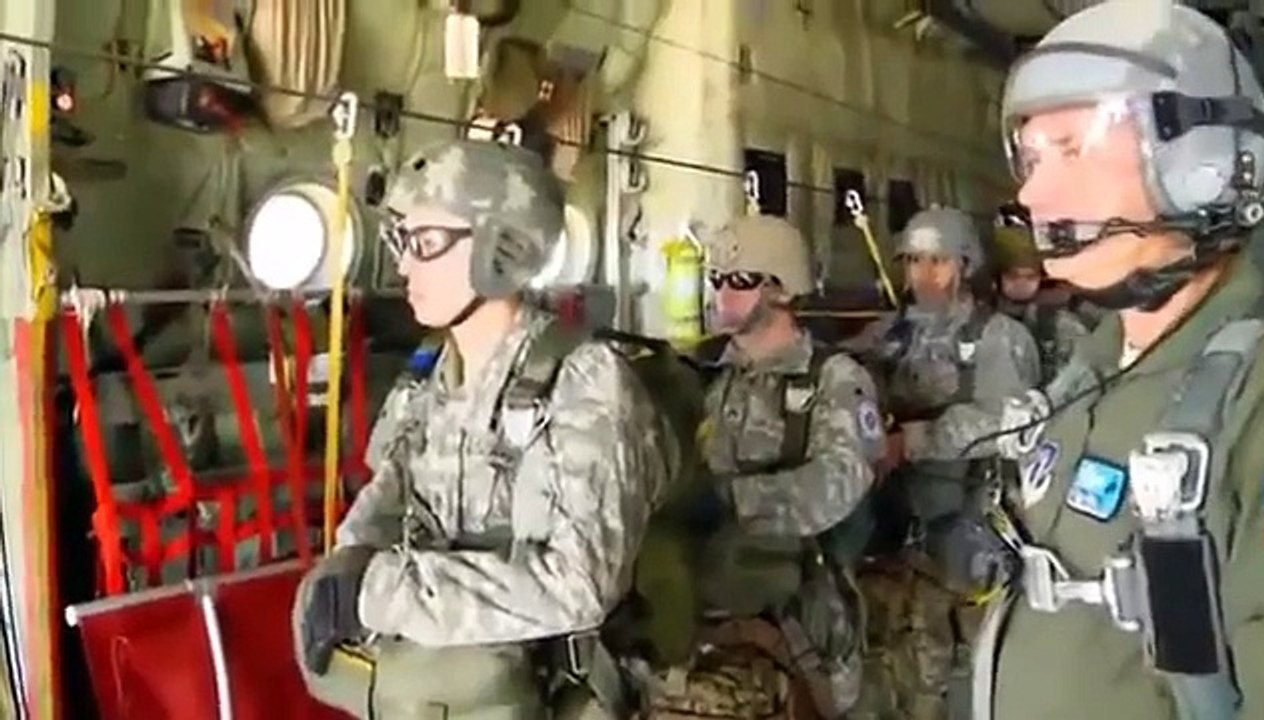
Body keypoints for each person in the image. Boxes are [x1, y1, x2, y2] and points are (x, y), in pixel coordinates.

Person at [970, 2, 1264, 719]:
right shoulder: (1087, 373)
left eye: (1073, 149)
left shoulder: (1260, 399)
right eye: (1032, 156)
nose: (1031, 194)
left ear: (1201, 165)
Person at [291, 138, 670, 719]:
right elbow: (388, 490)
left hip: (554, 690)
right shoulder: (427, 379)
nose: (404, 265)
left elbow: (579, 585)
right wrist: (348, 562)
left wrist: (379, 591)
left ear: (502, 247)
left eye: (426, 243)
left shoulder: (584, 381)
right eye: (402, 240)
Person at [666, 214, 882, 719]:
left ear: (783, 290)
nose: (722, 293)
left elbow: (838, 483)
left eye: (740, 281)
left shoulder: (834, 380)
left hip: (802, 607)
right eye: (716, 279)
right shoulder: (703, 374)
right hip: (707, 595)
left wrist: (729, 499)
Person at [841, 206, 1040, 720]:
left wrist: (918, 439)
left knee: (981, 662)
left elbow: (1014, 420)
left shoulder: (1000, 339)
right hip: (899, 524)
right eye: (913, 261)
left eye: (938, 261)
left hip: (970, 521)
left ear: (965, 265)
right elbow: (838, 375)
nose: (923, 275)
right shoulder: (891, 334)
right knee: (904, 660)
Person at [992, 222, 1090, 380]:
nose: (1021, 284)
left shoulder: (1061, 322)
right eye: (1013, 276)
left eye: (1030, 277)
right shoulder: (984, 319)